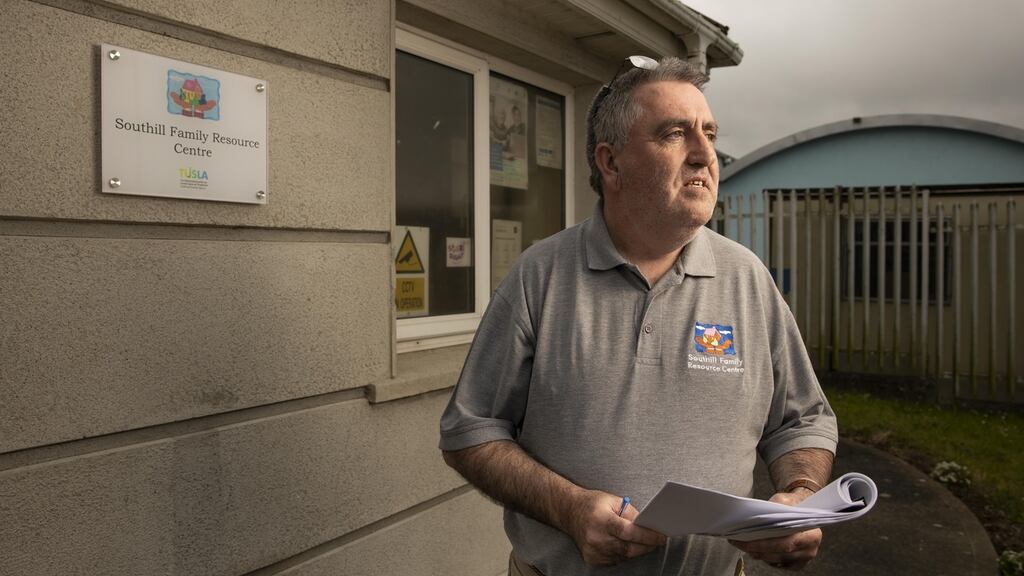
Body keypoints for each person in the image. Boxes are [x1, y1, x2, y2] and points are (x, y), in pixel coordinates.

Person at [439, 55, 837, 575]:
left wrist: (800, 497)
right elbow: (470, 431)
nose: (705, 155)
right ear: (611, 163)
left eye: (709, 134)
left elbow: (802, 420)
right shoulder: (540, 276)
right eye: (675, 133)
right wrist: (569, 509)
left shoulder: (748, 280)